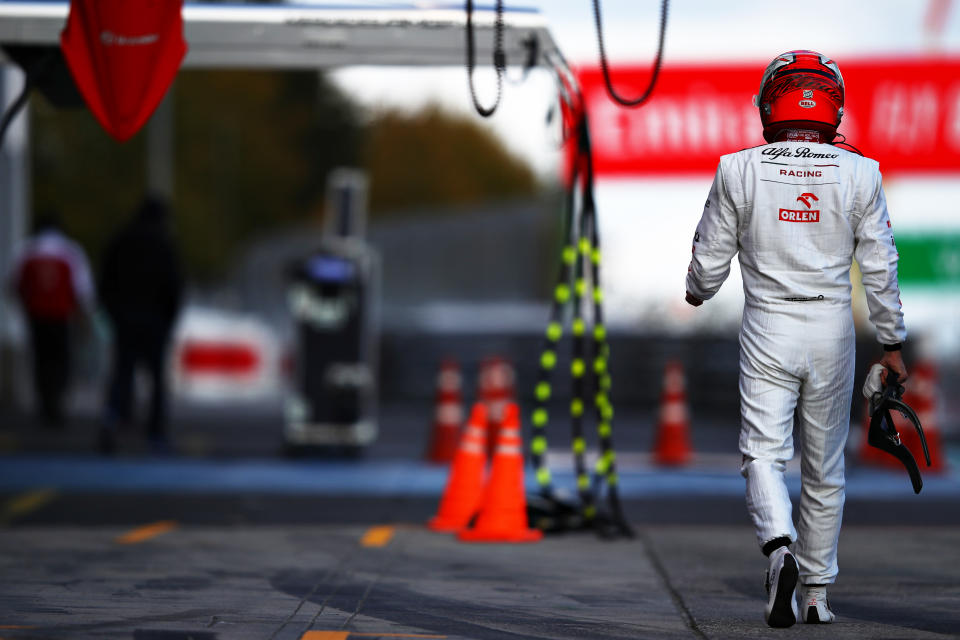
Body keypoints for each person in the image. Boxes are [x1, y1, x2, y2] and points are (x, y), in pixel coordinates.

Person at [684, 51, 907, 627]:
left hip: (766, 323)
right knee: (825, 469)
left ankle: (778, 547)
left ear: (767, 103)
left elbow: (709, 262)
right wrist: (892, 342)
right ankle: (816, 596)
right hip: (831, 326)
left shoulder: (738, 168)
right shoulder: (862, 171)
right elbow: (881, 267)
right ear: (833, 104)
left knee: (763, 452)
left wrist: (696, 292)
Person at [98, 196, 183, 453]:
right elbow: (174, 286)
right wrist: (169, 321)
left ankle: (112, 418)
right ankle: (155, 434)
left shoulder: (120, 241)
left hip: (125, 319)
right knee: (156, 380)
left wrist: (113, 314)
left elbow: (105, 281)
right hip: (154, 321)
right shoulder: (163, 243)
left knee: (123, 374)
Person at [8, 211, 95, 426]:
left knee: (41, 358)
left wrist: (24, 305)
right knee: (60, 358)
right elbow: (82, 289)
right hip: (61, 314)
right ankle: (57, 401)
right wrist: (83, 318)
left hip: (36, 313)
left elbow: (12, 284)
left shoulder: (26, 250)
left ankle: (45, 401)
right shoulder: (70, 252)